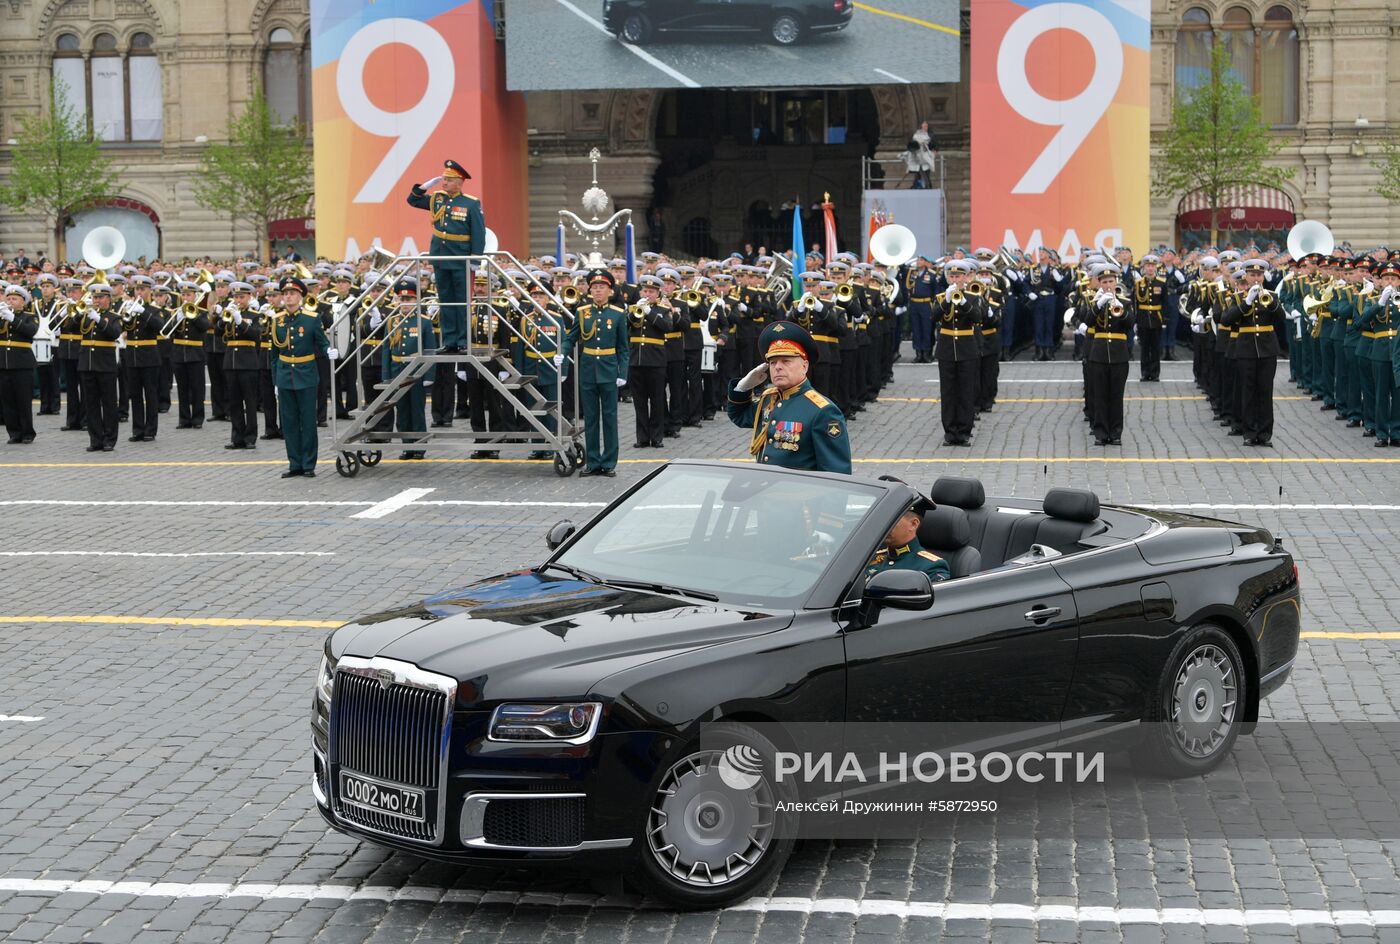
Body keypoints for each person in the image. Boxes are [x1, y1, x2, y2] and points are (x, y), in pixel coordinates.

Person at [726, 320, 851, 473]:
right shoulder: (769, 399)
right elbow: (738, 416)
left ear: (804, 366)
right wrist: (743, 388)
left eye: (786, 361)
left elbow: (835, 474)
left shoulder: (822, 411)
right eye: (772, 362)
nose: (778, 367)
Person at [406, 159, 484, 354]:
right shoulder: (437, 199)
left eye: (449, 179)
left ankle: (463, 341)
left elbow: (478, 233)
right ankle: (450, 341)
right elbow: (412, 200)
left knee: (462, 302)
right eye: (444, 179)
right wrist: (423, 187)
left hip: (461, 259)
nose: (444, 183)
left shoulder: (471, 204)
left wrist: (474, 260)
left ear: (459, 181)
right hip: (440, 258)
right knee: (446, 300)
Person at [559, 269, 629, 476]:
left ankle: (608, 463)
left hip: (608, 370)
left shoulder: (617, 314)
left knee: (609, 417)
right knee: (590, 418)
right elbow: (571, 338)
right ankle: (593, 462)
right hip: (588, 369)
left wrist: (622, 373)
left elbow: (623, 347)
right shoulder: (582, 312)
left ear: (610, 290)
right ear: (590, 291)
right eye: (595, 288)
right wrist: (562, 353)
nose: (598, 291)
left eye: (602, 287)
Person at [1218, 259, 1286, 447]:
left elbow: (1282, 318)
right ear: (1246, 277)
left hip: (1267, 349)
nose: (1256, 278)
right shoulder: (1238, 297)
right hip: (1246, 349)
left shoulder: (1271, 295)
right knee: (1247, 391)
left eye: (1259, 275)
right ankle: (1249, 432)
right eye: (1252, 275)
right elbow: (1226, 319)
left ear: (1263, 277)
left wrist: (1272, 304)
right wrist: (1247, 302)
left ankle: (1264, 433)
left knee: (1265, 391)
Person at [271, 276, 329, 477]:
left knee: (308, 421)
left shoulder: (311, 319)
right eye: (285, 294)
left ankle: (308, 464)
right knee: (289, 422)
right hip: (285, 375)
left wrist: (330, 350)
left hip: (306, 374)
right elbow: (274, 355)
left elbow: (322, 342)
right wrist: (275, 382)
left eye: (292, 293)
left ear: (300, 296)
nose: (288, 297)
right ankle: (294, 463)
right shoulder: (277, 320)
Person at [932, 259, 984, 446]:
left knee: (965, 392)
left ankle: (963, 432)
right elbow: (934, 317)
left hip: (966, 348)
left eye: (959, 276)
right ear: (947, 278)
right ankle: (949, 432)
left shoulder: (972, 297)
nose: (955, 279)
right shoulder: (940, 297)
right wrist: (946, 301)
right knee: (948, 393)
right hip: (946, 348)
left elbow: (978, 318)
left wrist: (962, 302)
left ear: (966, 278)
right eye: (952, 276)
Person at [382, 278, 435, 460]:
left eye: (409, 300)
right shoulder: (392, 322)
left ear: (416, 301)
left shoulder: (424, 322)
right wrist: (386, 375)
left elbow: (430, 351)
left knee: (417, 410)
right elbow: (386, 351)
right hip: (398, 370)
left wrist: (429, 374)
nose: (404, 303)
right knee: (402, 410)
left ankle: (419, 446)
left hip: (416, 371)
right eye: (401, 299)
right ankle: (407, 446)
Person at [626, 274, 671, 448]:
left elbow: (667, 327)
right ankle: (642, 437)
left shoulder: (663, 310)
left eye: (651, 291)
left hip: (656, 361)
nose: (648, 294)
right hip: (636, 361)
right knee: (640, 402)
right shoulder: (633, 309)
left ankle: (657, 437)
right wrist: (635, 313)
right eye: (645, 290)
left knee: (658, 400)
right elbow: (624, 325)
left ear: (658, 293)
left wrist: (649, 313)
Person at [78, 283, 123, 452]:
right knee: (91, 404)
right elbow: (70, 328)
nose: (97, 300)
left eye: (101, 297)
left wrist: (98, 320)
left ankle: (109, 439)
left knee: (109, 403)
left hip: (105, 365)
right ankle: (95, 439)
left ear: (109, 299)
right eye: (94, 297)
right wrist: (79, 314)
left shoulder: (113, 317)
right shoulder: (85, 315)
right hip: (87, 364)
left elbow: (114, 333)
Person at [864, 498, 951, 583]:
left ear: (913, 524)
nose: (885, 526)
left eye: (891, 521)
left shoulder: (930, 567)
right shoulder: (872, 557)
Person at [222, 281, 262, 449]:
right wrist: (220, 316)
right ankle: (237, 437)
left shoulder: (255, 315)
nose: (238, 300)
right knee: (234, 402)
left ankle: (250, 437)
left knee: (250, 402)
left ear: (249, 297)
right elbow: (218, 332)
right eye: (236, 297)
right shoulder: (230, 312)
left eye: (242, 297)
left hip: (248, 362)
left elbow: (256, 335)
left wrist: (241, 322)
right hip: (231, 362)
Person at [0, 284, 38, 444]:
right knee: (7, 401)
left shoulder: (28, 316)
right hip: (3, 363)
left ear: (23, 302)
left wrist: (13, 319)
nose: (11, 301)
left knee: (23, 400)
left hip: (22, 364)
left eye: (14, 299)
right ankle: (14, 432)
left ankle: (27, 432)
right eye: (8, 298)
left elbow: (31, 331)